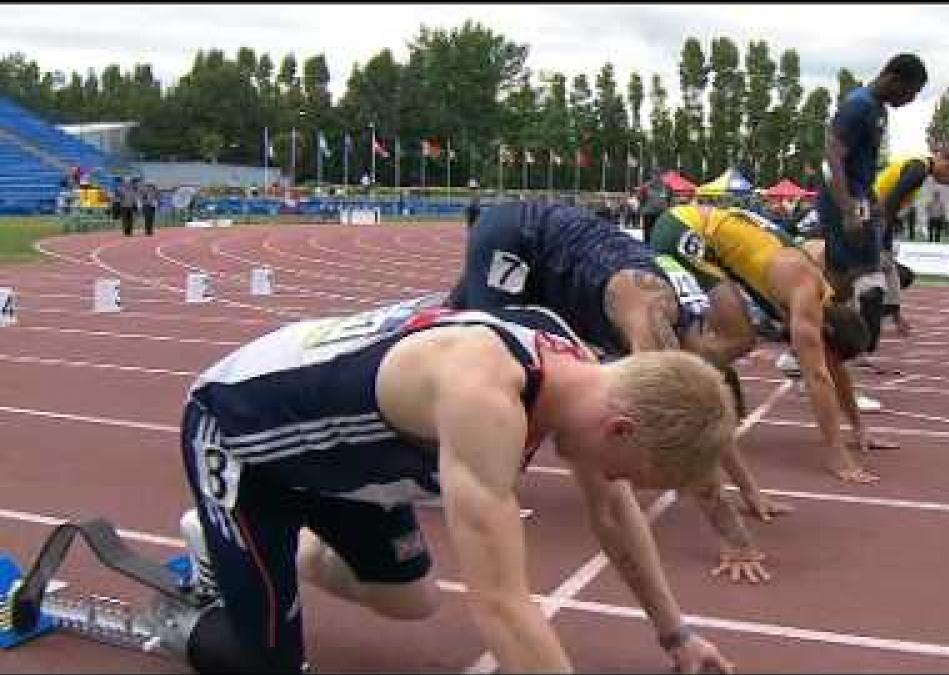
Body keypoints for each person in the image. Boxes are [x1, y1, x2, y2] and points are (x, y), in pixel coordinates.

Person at [177, 298, 738, 673]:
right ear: (621, 428)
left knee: (411, 600)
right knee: (272, 665)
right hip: (242, 439)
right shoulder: (484, 396)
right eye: (625, 469)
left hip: (349, 469)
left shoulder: (583, 371)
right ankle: (215, 573)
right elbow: (500, 604)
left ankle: (252, 553)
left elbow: (614, 514)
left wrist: (677, 636)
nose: (615, 480)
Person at [444, 200, 784, 582]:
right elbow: (679, 431)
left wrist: (750, 490)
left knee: (443, 324)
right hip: (516, 236)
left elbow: (702, 430)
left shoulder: (685, 346)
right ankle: (465, 472)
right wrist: (734, 536)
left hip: (555, 271)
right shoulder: (654, 326)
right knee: (486, 351)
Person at [652, 203, 898, 484]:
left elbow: (834, 369)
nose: (829, 358)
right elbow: (819, 375)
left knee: (740, 339)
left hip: (716, 238)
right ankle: (672, 384)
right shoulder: (805, 298)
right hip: (683, 229)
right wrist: (837, 455)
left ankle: (695, 374)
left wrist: (858, 429)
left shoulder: (828, 302)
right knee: (739, 338)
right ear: (826, 329)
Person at [818, 53, 927, 293]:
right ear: (893, 79)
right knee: (864, 279)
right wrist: (848, 210)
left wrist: (871, 199)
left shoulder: (878, 110)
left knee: (854, 276)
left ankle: (828, 320)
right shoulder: (859, 105)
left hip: (860, 199)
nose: (911, 99)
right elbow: (833, 157)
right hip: (844, 200)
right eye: (912, 91)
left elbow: (863, 164)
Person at [874, 148, 949, 338]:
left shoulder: (917, 167)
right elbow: (890, 203)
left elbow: (890, 207)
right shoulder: (918, 170)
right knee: (880, 276)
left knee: (896, 274)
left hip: (872, 222)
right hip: (866, 222)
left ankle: (875, 322)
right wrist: (880, 242)